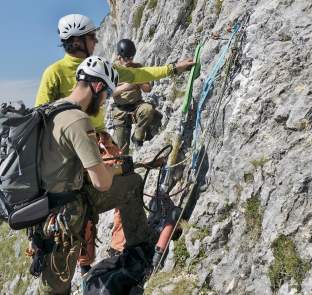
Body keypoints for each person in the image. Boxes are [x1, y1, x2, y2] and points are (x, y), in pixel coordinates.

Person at [37, 56, 158, 295]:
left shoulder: (50, 110)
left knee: (131, 183)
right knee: (55, 288)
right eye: (104, 97)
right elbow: (101, 182)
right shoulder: (79, 121)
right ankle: (138, 254)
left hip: (44, 207)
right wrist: (118, 168)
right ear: (98, 86)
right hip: (65, 213)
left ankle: (135, 250)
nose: (102, 104)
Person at [35, 14, 195, 132]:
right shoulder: (54, 73)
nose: (96, 41)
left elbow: (138, 74)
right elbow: (40, 118)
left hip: (97, 136)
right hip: (70, 143)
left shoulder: (98, 66)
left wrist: (173, 68)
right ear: (77, 42)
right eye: (92, 37)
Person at [112, 39, 161, 153]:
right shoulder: (113, 71)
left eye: (131, 58)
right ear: (119, 57)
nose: (129, 61)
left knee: (149, 110)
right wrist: (125, 87)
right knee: (121, 151)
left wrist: (138, 80)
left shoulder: (137, 67)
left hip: (137, 106)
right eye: (126, 59)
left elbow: (148, 89)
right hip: (120, 111)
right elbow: (109, 93)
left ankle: (138, 137)